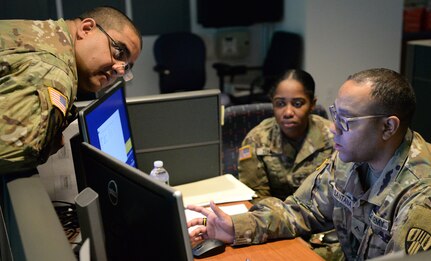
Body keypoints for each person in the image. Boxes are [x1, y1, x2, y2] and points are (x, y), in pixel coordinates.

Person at [187, 68, 431, 260]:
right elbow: (302, 210)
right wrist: (235, 227)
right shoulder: (350, 159)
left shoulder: (421, 195)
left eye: (346, 120)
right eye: (336, 115)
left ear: (388, 127)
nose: (334, 128)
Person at [0, 6, 142, 173]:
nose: (119, 70)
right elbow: (9, 151)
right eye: (119, 52)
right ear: (86, 29)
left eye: (126, 67)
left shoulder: (38, 32)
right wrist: (45, 145)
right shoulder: (53, 73)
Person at [238, 69, 334, 201]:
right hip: (273, 216)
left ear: (312, 104)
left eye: (298, 104)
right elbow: (255, 197)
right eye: (280, 104)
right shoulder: (256, 140)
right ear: (272, 103)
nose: (288, 112)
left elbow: (341, 191)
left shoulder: (334, 137)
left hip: (322, 215)